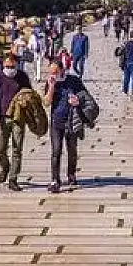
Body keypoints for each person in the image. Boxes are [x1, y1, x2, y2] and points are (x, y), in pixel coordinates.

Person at [0, 53, 32, 191]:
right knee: (1, 148)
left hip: (18, 117)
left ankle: (13, 178)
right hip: (3, 117)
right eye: (7, 66)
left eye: (12, 66)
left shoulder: (22, 77)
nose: (9, 69)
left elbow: (30, 95)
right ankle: (5, 167)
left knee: (17, 148)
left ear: (16, 65)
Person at [45, 61, 86, 193]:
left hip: (71, 121)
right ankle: (55, 179)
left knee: (72, 150)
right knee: (56, 151)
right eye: (51, 72)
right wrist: (51, 87)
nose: (53, 75)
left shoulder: (74, 80)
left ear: (62, 70)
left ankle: (71, 174)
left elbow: (85, 96)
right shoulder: (51, 82)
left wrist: (77, 100)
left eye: (55, 72)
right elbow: (47, 102)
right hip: (56, 122)